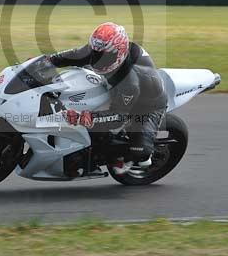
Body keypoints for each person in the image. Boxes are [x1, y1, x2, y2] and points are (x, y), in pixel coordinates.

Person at [46, 22, 168, 175]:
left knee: (140, 154)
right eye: (95, 53)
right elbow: (75, 55)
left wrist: (85, 117)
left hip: (147, 105)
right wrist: (47, 61)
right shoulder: (101, 48)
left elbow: (118, 116)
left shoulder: (130, 82)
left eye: (104, 56)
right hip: (114, 88)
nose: (96, 59)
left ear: (119, 53)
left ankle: (123, 156)